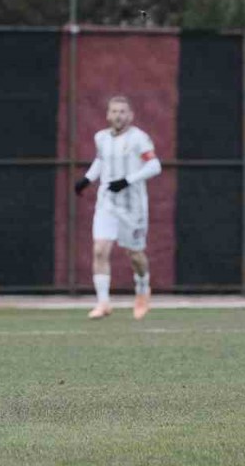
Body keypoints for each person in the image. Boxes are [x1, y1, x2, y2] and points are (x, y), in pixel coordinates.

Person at [73, 95, 162, 320]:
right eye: (114, 111)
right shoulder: (101, 138)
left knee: (135, 255)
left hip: (133, 207)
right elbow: (101, 161)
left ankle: (142, 289)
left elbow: (154, 165)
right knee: (100, 249)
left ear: (130, 115)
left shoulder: (139, 139)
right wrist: (86, 179)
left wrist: (128, 180)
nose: (118, 116)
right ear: (107, 115)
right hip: (107, 203)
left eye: (123, 112)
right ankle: (103, 303)